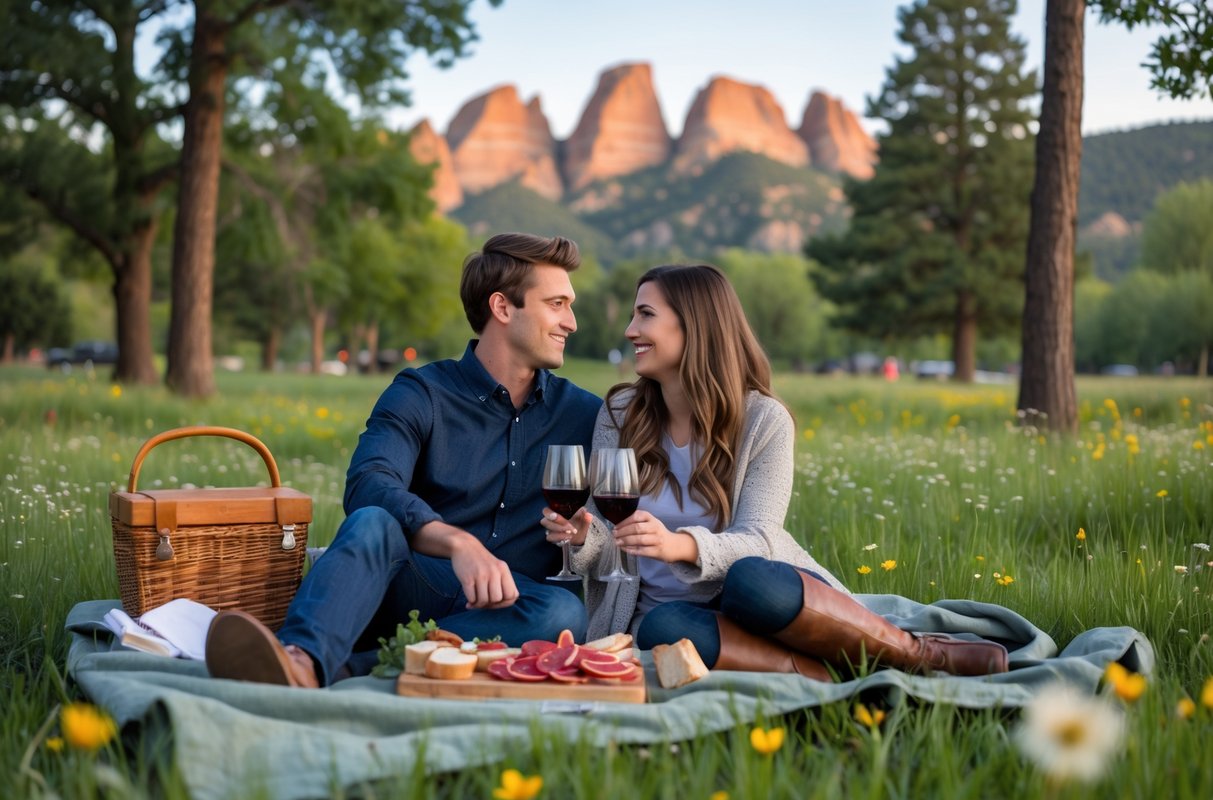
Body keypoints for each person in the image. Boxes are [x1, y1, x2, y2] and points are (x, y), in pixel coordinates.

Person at [543, 264, 1007, 679]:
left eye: (645, 315)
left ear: (695, 326)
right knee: (664, 630)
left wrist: (676, 545)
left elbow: (762, 538)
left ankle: (918, 655)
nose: (629, 330)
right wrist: (584, 539)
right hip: (678, 615)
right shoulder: (620, 413)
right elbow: (607, 540)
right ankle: (828, 673)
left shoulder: (764, 420)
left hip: (761, 597)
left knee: (752, 576)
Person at [207, 233, 602, 687]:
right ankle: (299, 656)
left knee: (561, 612)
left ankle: (340, 668)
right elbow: (368, 482)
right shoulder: (422, 393)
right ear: (503, 307)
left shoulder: (584, 414)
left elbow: (627, 505)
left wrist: (585, 536)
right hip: (417, 583)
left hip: (514, 606)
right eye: (556, 304)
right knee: (373, 521)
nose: (571, 322)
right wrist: (459, 544)